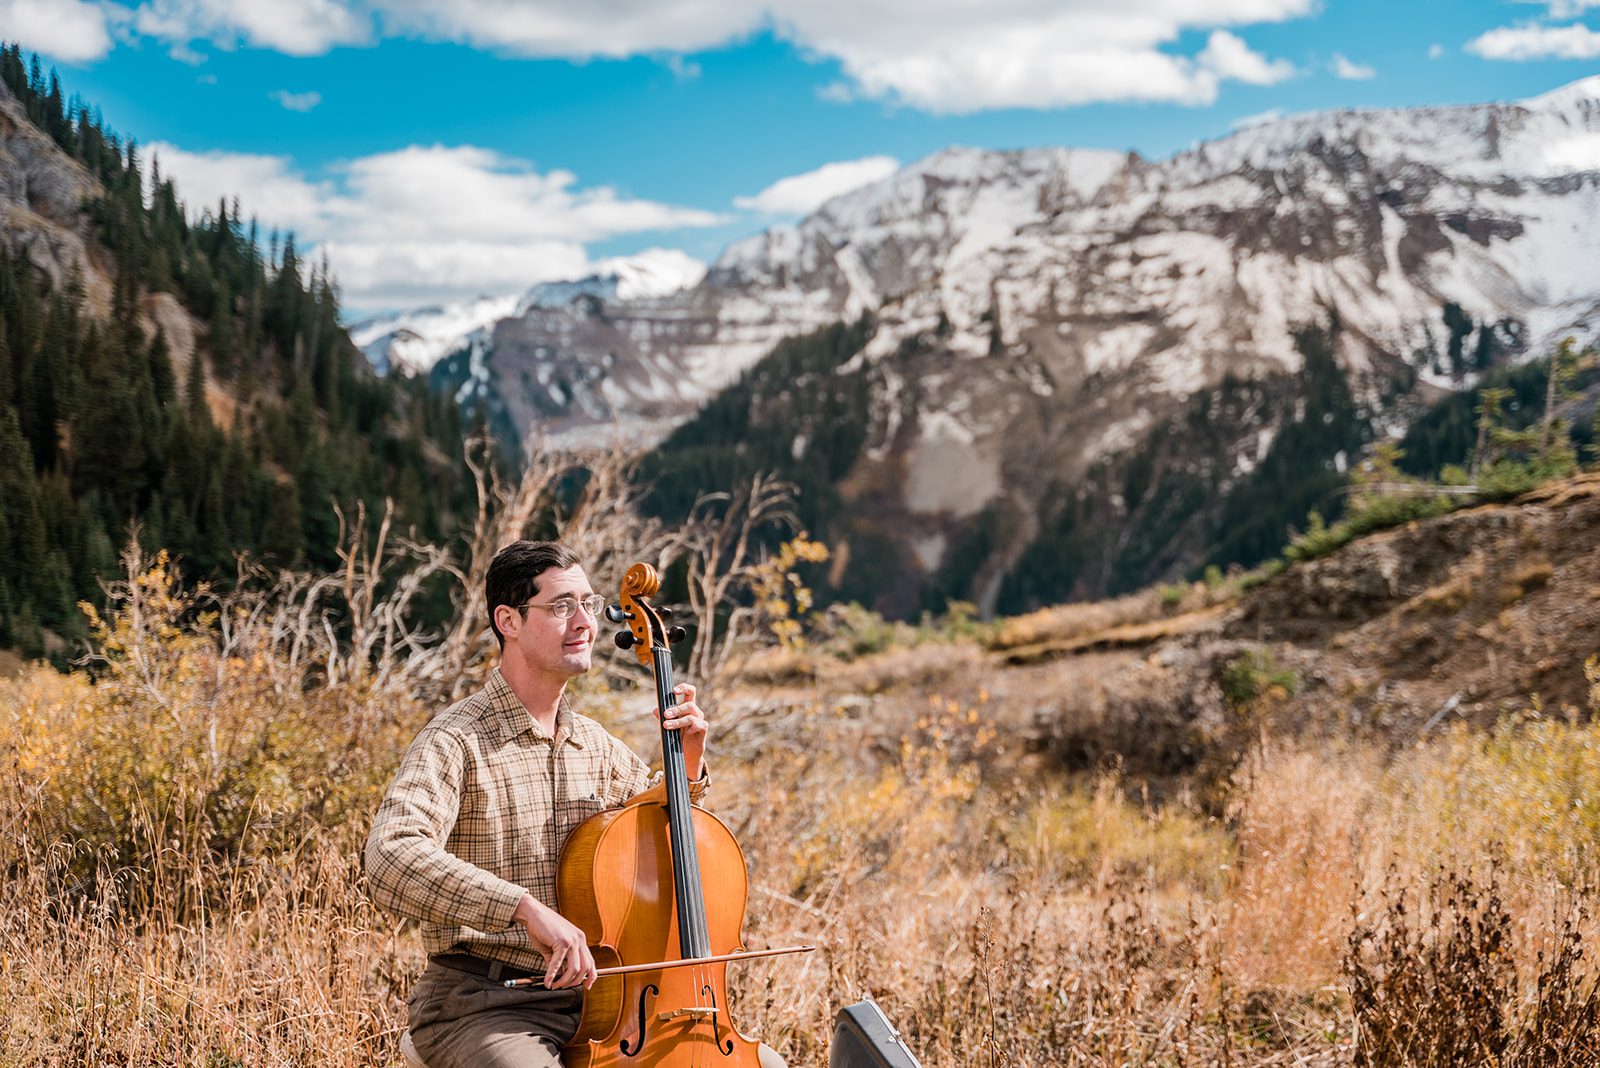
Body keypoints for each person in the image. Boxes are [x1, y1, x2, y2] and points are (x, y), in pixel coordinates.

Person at [365, 540, 780, 1068]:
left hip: (608, 1002)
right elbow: (390, 856)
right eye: (562, 606)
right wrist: (523, 908)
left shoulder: (595, 744)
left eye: (589, 603)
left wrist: (688, 765)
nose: (584, 621)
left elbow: (654, 824)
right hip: (488, 1004)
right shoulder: (456, 739)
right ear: (508, 621)